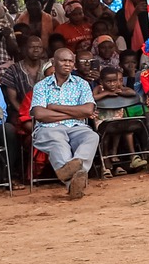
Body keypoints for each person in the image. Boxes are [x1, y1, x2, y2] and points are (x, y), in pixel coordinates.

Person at [31, 46, 99, 197]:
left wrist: (55, 107)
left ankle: (74, 168)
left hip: (77, 127)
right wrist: (74, 113)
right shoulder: (41, 86)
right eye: (63, 60)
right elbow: (40, 114)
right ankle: (73, 184)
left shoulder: (82, 84)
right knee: (58, 143)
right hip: (48, 128)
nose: (67, 64)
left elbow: (88, 110)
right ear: (54, 63)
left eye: (70, 61)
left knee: (92, 137)